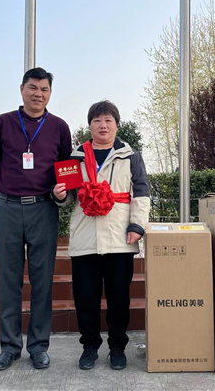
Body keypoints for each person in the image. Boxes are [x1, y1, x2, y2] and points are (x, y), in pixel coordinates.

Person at [0, 67, 72, 371]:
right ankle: (9, 347)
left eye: (44, 89)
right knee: (8, 280)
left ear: (50, 93)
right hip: (7, 208)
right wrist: (7, 192)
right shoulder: (3, 123)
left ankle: (38, 346)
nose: (38, 94)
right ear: (21, 89)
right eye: (33, 87)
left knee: (42, 281)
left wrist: (58, 194)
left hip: (43, 210)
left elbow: (65, 168)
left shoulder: (59, 127)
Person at [52, 100, 150, 371]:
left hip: (120, 238)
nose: (103, 125)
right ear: (90, 126)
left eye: (108, 120)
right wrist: (59, 195)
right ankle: (90, 346)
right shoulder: (75, 158)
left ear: (117, 125)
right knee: (86, 297)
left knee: (119, 297)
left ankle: (117, 347)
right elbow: (68, 197)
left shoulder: (130, 156)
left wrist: (137, 226)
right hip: (85, 238)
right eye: (97, 120)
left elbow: (141, 193)